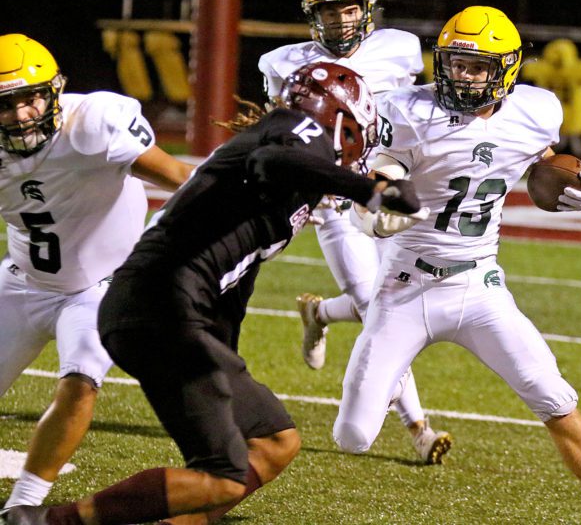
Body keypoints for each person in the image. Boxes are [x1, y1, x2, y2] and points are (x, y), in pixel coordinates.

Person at [0, 62, 424, 525]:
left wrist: (227, 358)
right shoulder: (295, 131)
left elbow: (237, 277)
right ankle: (44, 522)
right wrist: (371, 190)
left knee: (277, 443)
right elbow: (273, 161)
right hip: (157, 304)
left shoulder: (294, 174)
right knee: (223, 473)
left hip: (173, 308)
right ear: (343, 121)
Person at [333, 6, 581, 525]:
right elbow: (386, 170)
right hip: (406, 286)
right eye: (454, 63)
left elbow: (542, 162)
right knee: (353, 436)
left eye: (477, 67)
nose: (463, 75)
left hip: (479, 285)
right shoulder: (409, 110)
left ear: (508, 69)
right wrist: (375, 208)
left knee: (551, 393)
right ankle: (387, 369)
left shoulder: (534, 110)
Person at [259, 0, 452, 465]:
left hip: (383, 192)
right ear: (313, 15)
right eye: (330, 10)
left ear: (366, 10)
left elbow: (418, 115)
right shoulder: (283, 63)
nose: (341, 20)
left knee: (406, 294)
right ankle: (419, 428)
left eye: (349, 8)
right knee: (378, 310)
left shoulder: (400, 48)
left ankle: (319, 314)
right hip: (333, 200)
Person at [0, 33, 194, 509]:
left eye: (30, 99)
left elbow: (179, 178)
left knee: (81, 378)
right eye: (5, 104)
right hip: (22, 283)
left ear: (54, 91)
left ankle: (23, 504)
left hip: (96, 288)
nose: (21, 114)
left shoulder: (92, 125)